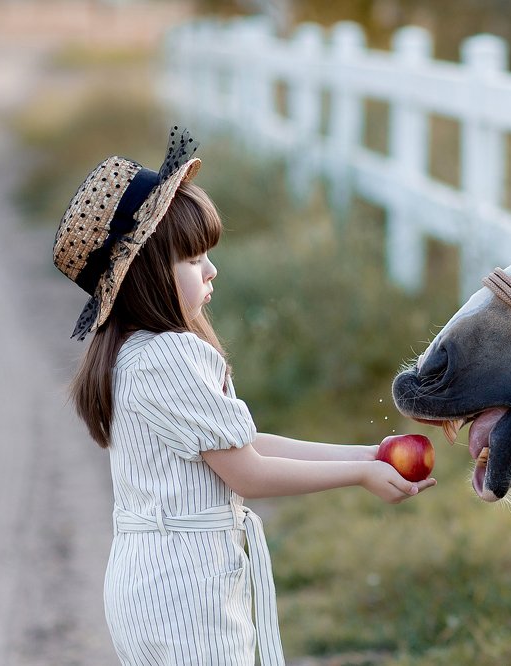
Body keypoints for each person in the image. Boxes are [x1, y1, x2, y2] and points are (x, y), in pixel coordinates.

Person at [53, 127, 436, 665]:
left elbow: (242, 445)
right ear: (141, 275)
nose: (211, 271)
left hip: (144, 581)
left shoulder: (125, 353)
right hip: (188, 591)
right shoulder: (171, 355)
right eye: (191, 260)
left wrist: (367, 456)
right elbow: (248, 473)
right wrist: (358, 476)